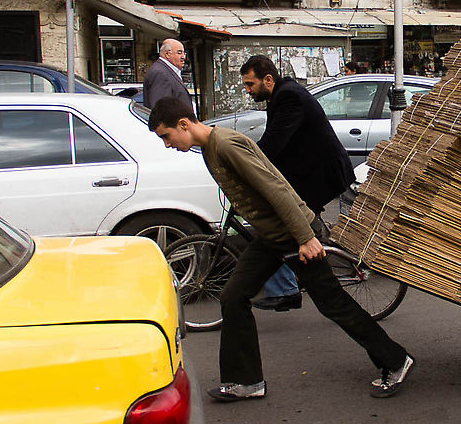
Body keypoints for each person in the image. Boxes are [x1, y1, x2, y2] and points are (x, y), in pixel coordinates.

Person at [149, 96, 414, 401]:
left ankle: (395, 361)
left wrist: (304, 237)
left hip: (291, 233)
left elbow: (275, 188)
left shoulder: (225, 146)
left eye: (166, 136)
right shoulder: (211, 148)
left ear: (183, 124)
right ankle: (245, 381)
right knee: (233, 296)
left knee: (333, 304)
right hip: (271, 236)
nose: (167, 144)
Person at [240, 55, 355, 312]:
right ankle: (298, 274)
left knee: (281, 222)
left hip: (321, 174)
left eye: (250, 84)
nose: (247, 91)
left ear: (268, 80)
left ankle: (288, 289)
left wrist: (242, 162)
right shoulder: (280, 95)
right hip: (309, 171)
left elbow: (273, 143)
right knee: (290, 221)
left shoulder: (288, 97)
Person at [142, 39, 190, 109]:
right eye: (179, 53)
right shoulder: (160, 73)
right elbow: (161, 110)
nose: (183, 57)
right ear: (167, 54)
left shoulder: (166, 70)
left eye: (184, 53)